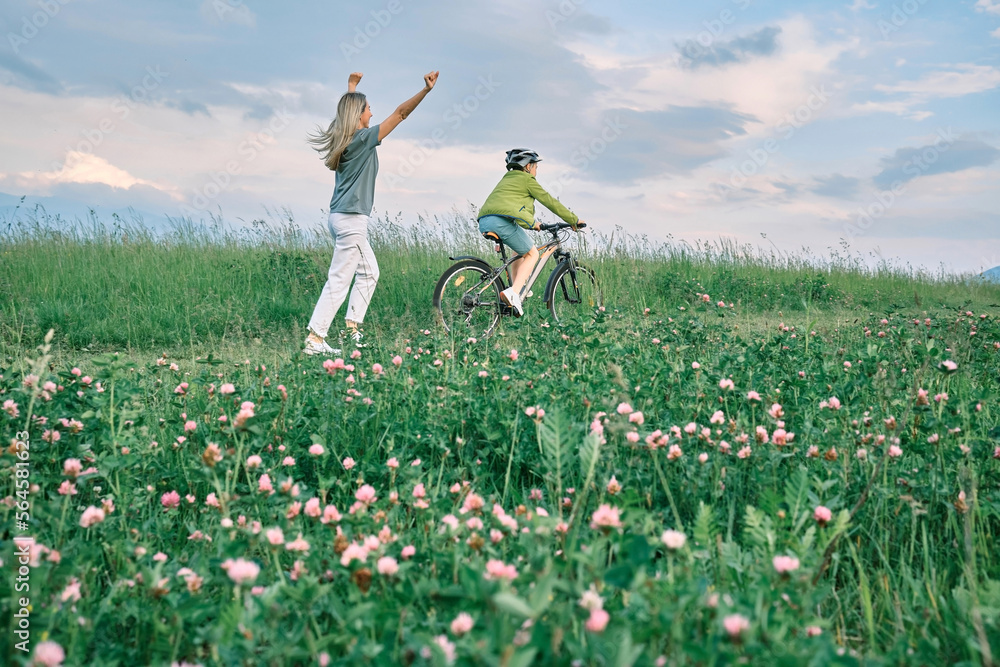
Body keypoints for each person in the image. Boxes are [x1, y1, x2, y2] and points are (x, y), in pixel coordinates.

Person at [303, 69, 439, 355]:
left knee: (369, 272)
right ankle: (315, 339)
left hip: (343, 217)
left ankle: (351, 328)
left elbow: (347, 111)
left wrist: (352, 86)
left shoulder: (345, 137)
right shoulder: (363, 139)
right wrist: (425, 91)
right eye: (368, 109)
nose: (372, 113)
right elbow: (401, 114)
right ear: (359, 115)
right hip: (352, 220)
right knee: (339, 279)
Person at [477, 149, 585, 316]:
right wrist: (573, 219)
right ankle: (513, 294)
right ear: (527, 166)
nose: (536, 171)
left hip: (485, 221)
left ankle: (515, 289)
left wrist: (532, 224)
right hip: (501, 223)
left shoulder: (506, 179)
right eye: (535, 167)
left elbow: (507, 205)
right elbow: (549, 201)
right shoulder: (527, 179)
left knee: (520, 250)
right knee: (532, 254)